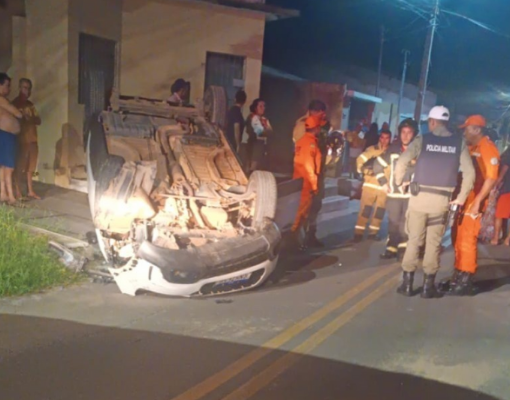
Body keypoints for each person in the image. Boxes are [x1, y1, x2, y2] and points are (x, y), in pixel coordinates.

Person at [394, 106, 475, 299]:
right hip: (441, 201)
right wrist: (461, 198)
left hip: (419, 199)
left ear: (431, 122)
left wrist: (399, 183)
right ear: (446, 122)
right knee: (433, 243)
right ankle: (428, 287)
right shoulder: (458, 143)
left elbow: (402, 161)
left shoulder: (423, 139)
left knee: (414, 240)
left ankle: (407, 285)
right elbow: (469, 173)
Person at [441, 115, 500, 296]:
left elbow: (491, 177)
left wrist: (478, 202)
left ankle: (465, 280)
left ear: (476, 129)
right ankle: (458, 275)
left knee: (466, 240)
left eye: (466, 128)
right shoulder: (471, 147)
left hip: (474, 202)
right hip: (464, 199)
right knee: (458, 239)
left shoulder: (487, 147)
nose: (464, 132)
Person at [375, 118, 419, 260]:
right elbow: (377, 165)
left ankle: (403, 251)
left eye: (409, 132)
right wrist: (383, 183)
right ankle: (391, 248)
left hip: (411, 196)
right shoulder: (393, 149)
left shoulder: (419, 151)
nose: (405, 136)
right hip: (394, 195)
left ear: (414, 134)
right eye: (403, 132)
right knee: (393, 223)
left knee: (405, 224)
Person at [293, 100, 329, 247]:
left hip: (316, 173)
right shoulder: (303, 126)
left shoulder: (322, 125)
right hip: (308, 176)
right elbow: (307, 158)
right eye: (321, 112)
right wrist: (313, 183)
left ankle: (310, 235)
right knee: (303, 210)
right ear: (314, 112)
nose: (324, 116)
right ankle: (296, 240)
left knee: (314, 207)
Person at [353, 129, 391, 242]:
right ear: (379, 138)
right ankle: (358, 234)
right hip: (370, 185)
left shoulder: (392, 152)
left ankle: (373, 233)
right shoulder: (371, 150)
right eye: (382, 137)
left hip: (384, 187)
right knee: (365, 210)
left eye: (387, 138)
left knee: (379, 211)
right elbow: (359, 160)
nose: (384, 140)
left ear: (390, 139)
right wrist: (365, 171)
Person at [12, 78, 42, 200]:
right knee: (20, 166)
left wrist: (31, 118)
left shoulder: (30, 104)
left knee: (31, 168)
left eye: (29, 88)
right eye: (24, 87)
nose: (27, 91)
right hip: (22, 140)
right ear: (19, 88)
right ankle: (18, 191)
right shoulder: (15, 104)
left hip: (33, 139)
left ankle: (30, 190)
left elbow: (38, 120)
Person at [0, 73, 23, 205]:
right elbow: (17, 113)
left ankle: (3, 193)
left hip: (6, 135)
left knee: (3, 166)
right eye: (7, 86)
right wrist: (21, 113)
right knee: (8, 167)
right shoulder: (2, 100)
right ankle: (10, 196)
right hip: (5, 135)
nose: (9, 89)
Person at [244, 98, 272, 173]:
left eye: (264, 106)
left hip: (262, 145)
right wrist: (266, 130)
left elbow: (270, 131)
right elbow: (260, 132)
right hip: (255, 145)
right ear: (255, 108)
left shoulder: (263, 119)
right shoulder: (253, 117)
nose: (263, 108)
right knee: (253, 166)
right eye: (260, 106)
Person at [492, 147, 510, 245]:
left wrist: (497, 182)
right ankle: (507, 239)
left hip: (507, 189)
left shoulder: (508, 155)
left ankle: (495, 238)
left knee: (499, 215)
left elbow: (504, 168)